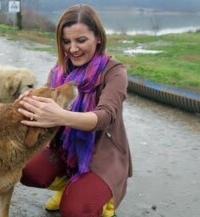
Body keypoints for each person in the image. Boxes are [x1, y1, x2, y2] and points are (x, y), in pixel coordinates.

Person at [17, 4, 132, 217]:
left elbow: (104, 117)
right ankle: (70, 187)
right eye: (66, 41)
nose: (72, 49)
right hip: (65, 149)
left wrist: (61, 116)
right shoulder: (59, 69)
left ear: (98, 37)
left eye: (81, 40)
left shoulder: (114, 71)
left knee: (75, 210)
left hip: (102, 154)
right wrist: (28, 101)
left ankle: (103, 197)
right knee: (25, 171)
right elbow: (47, 99)